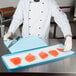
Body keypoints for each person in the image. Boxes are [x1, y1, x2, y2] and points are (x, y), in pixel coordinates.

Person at [3, 0, 72, 51]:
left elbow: (61, 18)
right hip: (25, 42)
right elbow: (17, 18)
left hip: (42, 42)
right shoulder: (23, 1)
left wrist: (68, 35)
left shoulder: (50, 2)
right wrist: (10, 31)